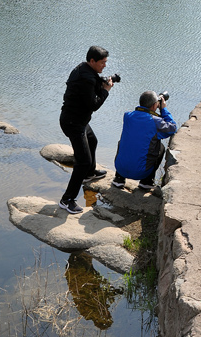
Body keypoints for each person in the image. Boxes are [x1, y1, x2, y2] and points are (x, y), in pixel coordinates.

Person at [59, 45, 115, 214]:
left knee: (92, 140)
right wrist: (106, 91)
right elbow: (94, 104)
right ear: (92, 61)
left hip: (78, 120)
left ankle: (89, 173)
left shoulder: (85, 69)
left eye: (106, 62)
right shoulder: (86, 78)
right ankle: (67, 199)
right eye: (102, 63)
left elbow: (92, 86)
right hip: (73, 123)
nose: (104, 65)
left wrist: (103, 82)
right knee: (82, 161)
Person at [112, 90, 177, 191]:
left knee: (125, 142)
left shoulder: (127, 116)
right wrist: (163, 109)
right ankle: (146, 182)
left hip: (120, 168)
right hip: (141, 172)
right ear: (155, 105)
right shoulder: (155, 121)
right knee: (160, 147)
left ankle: (119, 179)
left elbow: (141, 120)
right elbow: (172, 128)